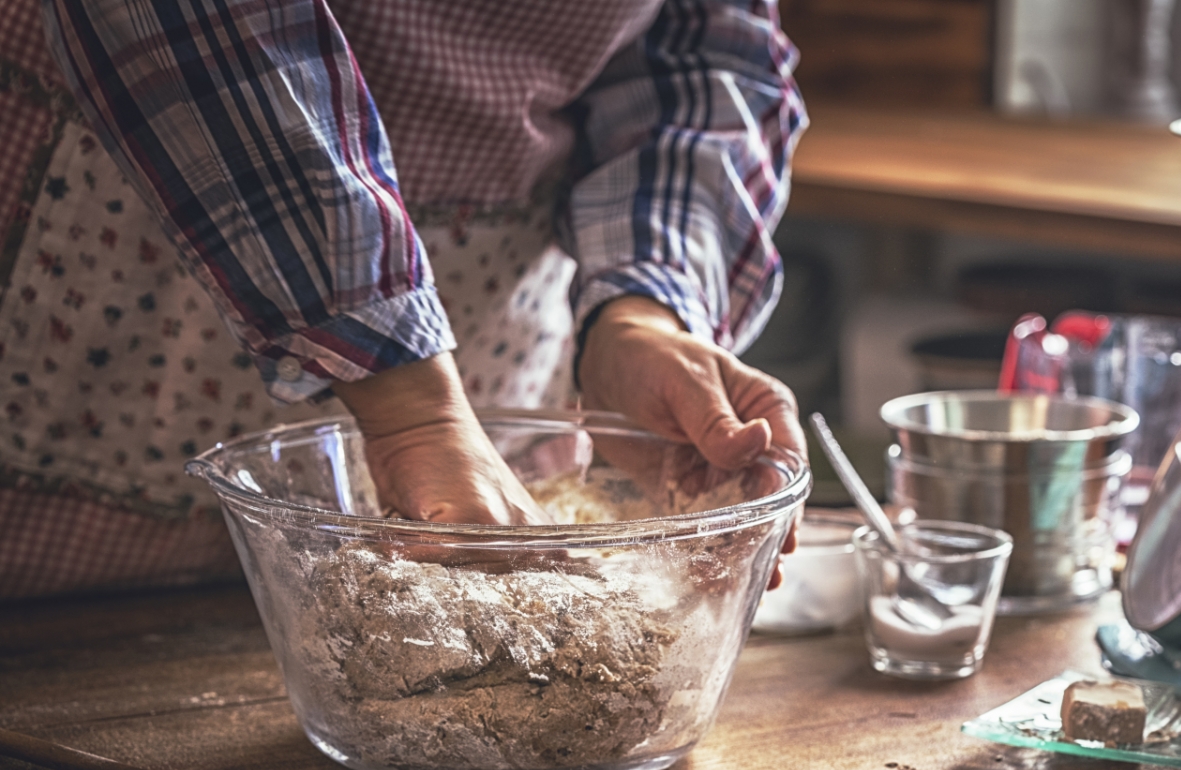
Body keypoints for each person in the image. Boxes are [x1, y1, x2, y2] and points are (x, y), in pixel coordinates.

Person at [0, 0, 806, 599]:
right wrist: (415, 409)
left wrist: (638, 314)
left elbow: (700, 51)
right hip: (134, 254)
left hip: (479, 397)